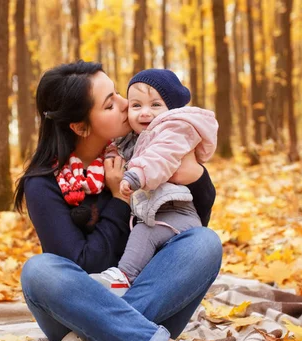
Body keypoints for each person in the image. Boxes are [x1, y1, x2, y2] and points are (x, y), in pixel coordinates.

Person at [13, 61, 247, 341]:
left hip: (152, 307)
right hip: (78, 314)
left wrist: (197, 176)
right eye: (110, 103)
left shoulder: (147, 151)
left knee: (204, 242)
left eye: (118, 94)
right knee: (39, 271)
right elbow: (85, 265)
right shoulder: (44, 184)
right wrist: (118, 198)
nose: (126, 105)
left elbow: (183, 231)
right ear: (81, 127)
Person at [90, 69, 218, 294]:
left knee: (145, 232)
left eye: (155, 105)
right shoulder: (137, 136)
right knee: (146, 238)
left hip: (175, 212)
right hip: (158, 209)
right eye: (136, 105)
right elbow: (120, 148)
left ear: (172, 110)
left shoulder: (173, 131)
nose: (144, 113)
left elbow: (159, 157)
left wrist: (135, 176)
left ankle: (123, 277)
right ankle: (131, 296)